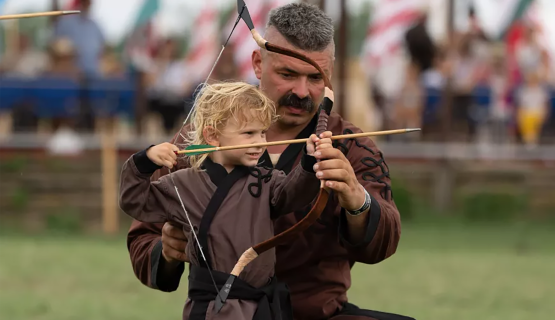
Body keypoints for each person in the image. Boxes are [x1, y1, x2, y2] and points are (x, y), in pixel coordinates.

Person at [127, 3, 413, 320]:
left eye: (315, 78)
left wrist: (357, 201)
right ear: (258, 63)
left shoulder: (350, 145)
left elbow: (384, 240)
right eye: (287, 74)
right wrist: (167, 251)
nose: (301, 92)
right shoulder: (207, 138)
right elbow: (144, 238)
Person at [120, 81, 335, 319]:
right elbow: (134, 200)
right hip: (213, 307)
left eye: (263, 132)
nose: (260, 142)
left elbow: (294, 194)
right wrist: (145, 160)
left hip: (261, 307)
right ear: (212, 135)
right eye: (248, 133)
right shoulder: (183, 184)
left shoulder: (266, 179)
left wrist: (309, 160)